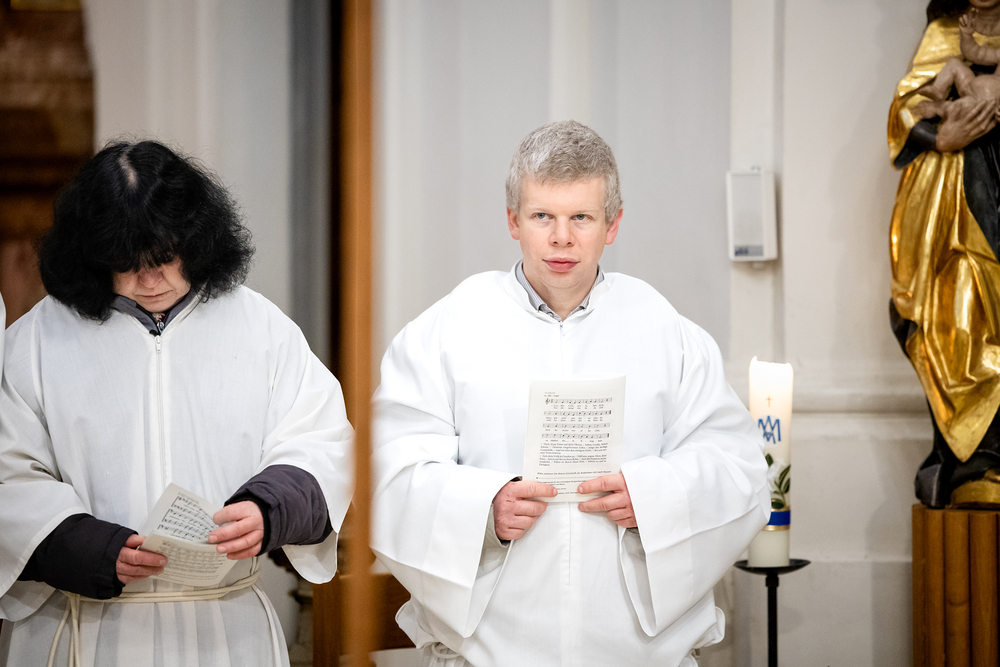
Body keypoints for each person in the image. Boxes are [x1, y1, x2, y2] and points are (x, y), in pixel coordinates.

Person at [371, 121, 769, 666]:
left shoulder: (665, 331)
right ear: (513, 220)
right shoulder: (445, 333)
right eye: (542, 216)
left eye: (582, 217)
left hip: (637, 653)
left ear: (613, 224)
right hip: (489, 653)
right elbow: (388, 471)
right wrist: (483, 508)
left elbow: (738, 469)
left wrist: (652, 498)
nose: (562, 238)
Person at [0, 140, 353, 666]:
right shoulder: (37, 340)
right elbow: (9, 474)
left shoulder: (260, 328)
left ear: (195, 239)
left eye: (164, 257)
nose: (150, 280)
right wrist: (85, 548)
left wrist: (267, 510)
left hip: (227, 633)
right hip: (87, 632)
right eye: (127, 262)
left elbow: (320, 442)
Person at [889, 0, 1000, 507]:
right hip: (951, 202)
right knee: (957, 314)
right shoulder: (945, 31)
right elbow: (906, 109)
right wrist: (943, 135)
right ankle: (972, 460)